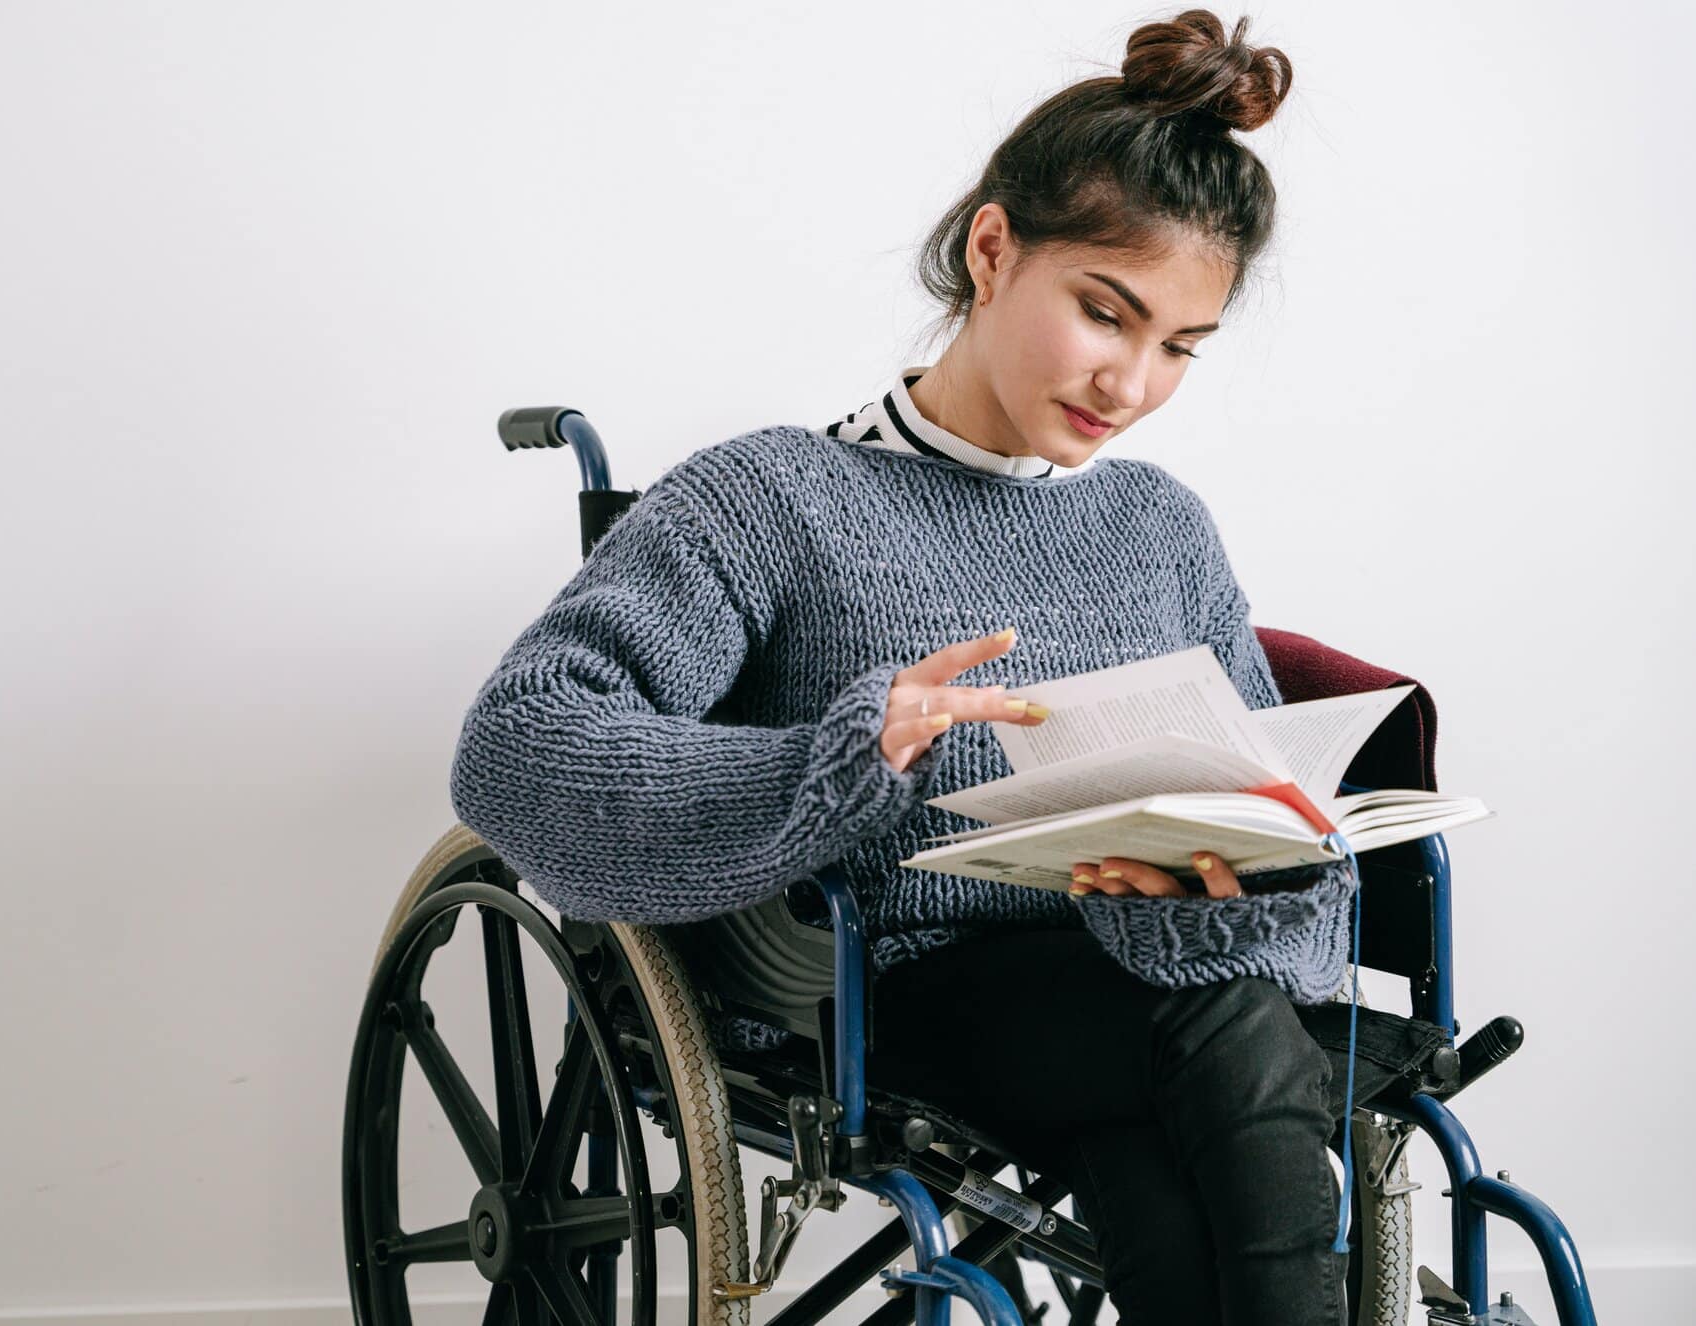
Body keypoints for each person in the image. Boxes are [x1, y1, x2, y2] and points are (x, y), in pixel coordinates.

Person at [449, 10, 1355, 1324]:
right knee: (1220, 1025)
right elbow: (520, 743)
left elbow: (1272, 828)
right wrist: (840, 757)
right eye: (1107, 312)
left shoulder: (1158, 524)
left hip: (1133, 1007)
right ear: (995, 250)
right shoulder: (772, 497)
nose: (1133, 382)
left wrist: (1217, 872)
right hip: (894, 991)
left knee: (1169, 1179)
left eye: (1177, 346)